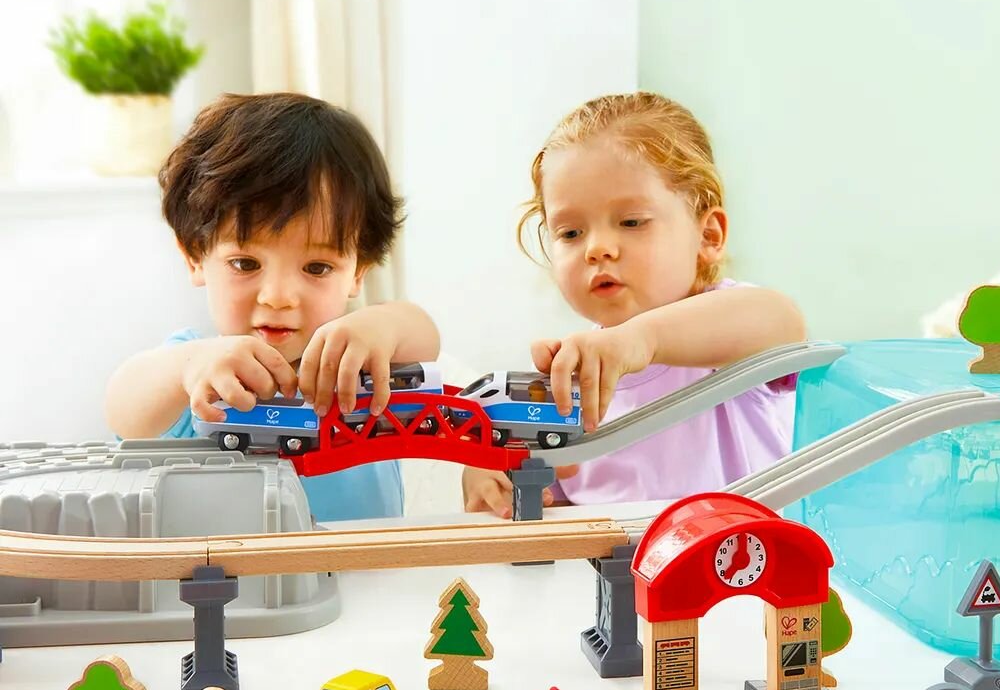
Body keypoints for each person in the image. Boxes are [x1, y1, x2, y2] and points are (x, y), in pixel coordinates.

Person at [462, 91, 805, 516]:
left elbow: (784, 324)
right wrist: (494, 472)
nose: (597, 248)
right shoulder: (571, 378)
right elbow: (563, 508)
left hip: (741, 557)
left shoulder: (729, 328)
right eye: (570, 233)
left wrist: (642, 340)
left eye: (630, 222)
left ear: (708, 235)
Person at [106, 92, 439, 522]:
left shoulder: (358, 362)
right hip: (234, 568)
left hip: (365, 566)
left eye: (317, 267)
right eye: (246, 263)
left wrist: (383, 323)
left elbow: (423, 336)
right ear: (194, 257)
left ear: (358, 271)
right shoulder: (202, 372)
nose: (278, 297)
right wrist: (188, 368)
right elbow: (123, 405)